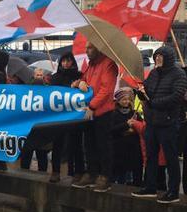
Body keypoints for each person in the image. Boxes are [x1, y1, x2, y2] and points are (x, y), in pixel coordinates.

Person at [133, 46, 187, 203]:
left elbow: (177, 96)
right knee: (151, 156)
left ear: (168, 58)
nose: (157, 59)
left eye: (160, 56)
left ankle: (173, 191)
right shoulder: (154, 73)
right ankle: (150, 186)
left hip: (168, 121)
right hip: (152, 121)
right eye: (156, 56)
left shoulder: (179, 74)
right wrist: (142, 91)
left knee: (171, 157)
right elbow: (148, 90)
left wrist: (154, 103)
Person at [72, 43, 118, 192]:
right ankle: (92, 173)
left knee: (103, 145)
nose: (87, 50)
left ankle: (105, 176)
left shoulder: (109, 64)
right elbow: (87, 82)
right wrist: (79, 83)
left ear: (99, 48)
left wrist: (92, 106)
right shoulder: (91, 65)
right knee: (89, 144)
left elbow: (106, 90)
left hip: (102, 112)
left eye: (90, 48)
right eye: (86, 48)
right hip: (90, 112)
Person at [48, 52, 84, 183]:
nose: (65, 63)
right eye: (63, 61)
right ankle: (55, 171)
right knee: (58, 144)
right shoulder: (55, 77)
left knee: (76, 144)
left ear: (73, 62)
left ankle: (78, 172)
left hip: (75, 116)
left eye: (68, 61)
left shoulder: (79, 77)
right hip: (59, 116)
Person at [109, 87, 143, 186]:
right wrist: (126, 125)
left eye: (128, 99)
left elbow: (141, 127)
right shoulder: (114, 114)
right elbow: (111, 129)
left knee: (131, 171)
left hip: (132, 148)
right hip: (118, 148)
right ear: (118, 100)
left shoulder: (134, 114)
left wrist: (135, 128)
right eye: (124, 99)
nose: (126, 101)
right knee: (118, 173)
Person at [20, 69, 51, 173]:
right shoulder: (26, 90)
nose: (39, 76)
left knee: (41, 155)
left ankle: (41, 174)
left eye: (41, 75)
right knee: (27, 155)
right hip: (30, 129)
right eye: (37, 74)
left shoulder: (49, 90)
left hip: (41, 129)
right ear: (34, 75)